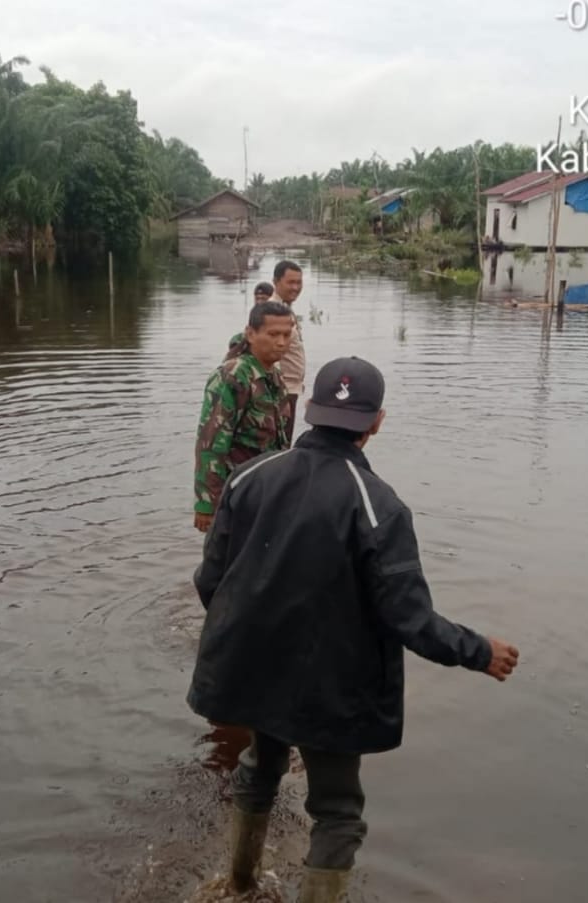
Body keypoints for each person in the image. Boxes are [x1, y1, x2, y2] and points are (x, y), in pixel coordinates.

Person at [187, 356, 520, 902]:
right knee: (338, 812)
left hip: (252, 666)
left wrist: (246, 640)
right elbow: (408, 619)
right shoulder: (378, 506)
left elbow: (211, 581)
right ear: (377, 422)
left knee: (259, 767)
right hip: (330, 683)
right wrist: (479, 651)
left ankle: (236, 885)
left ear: (311, 412)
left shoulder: (250, 477)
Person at [193, 301, 293, 534]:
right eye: (273, 334)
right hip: (237, 492)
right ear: (250, 333)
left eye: (287, 335)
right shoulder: (232, 376)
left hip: (266, 491)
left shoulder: (275, 377)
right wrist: (207, 504)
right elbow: (210, 442)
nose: (281, 342)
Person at [270, 260, 305, 443]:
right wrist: (279, 396)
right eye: (290, 282)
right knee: (279, 447)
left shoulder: (284, 308)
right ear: (276, 282)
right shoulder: (273, 312)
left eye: (299, 282)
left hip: (289, 389)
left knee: (282, 445)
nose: (296, 287)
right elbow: (270, 355)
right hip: (282, 391)